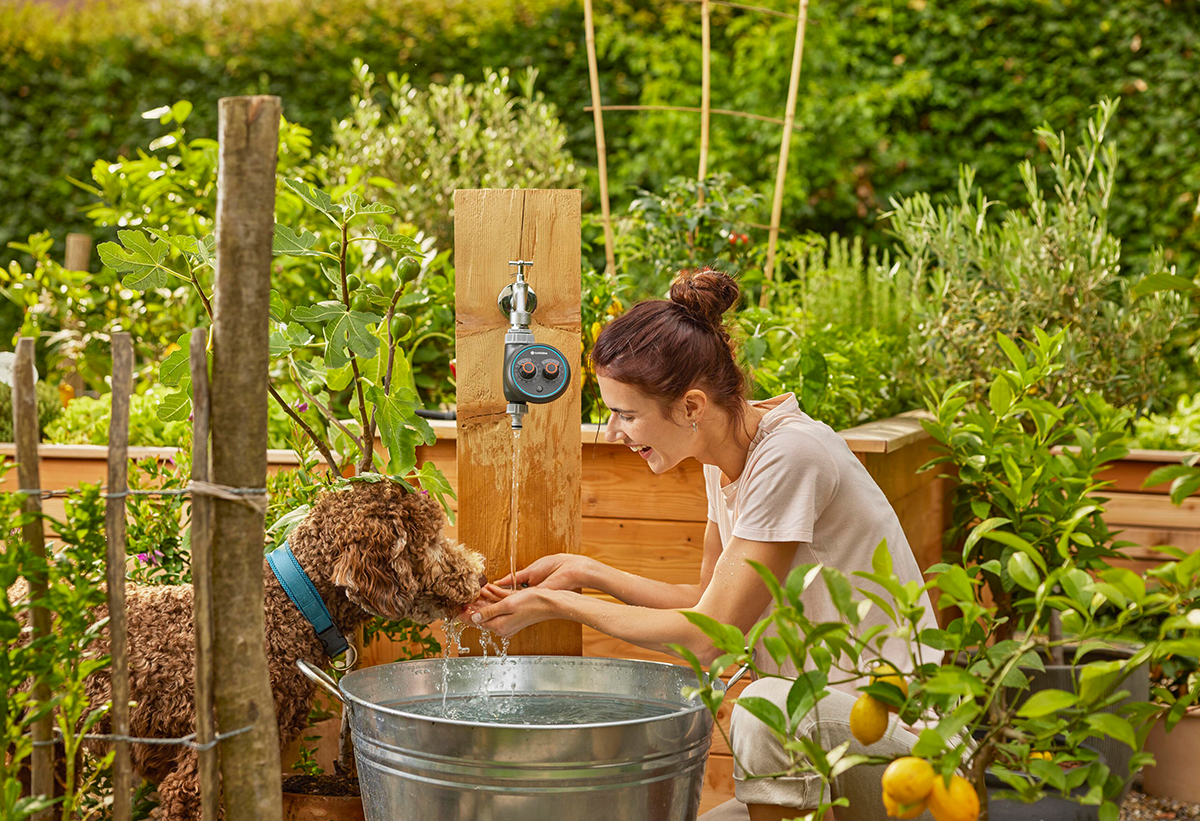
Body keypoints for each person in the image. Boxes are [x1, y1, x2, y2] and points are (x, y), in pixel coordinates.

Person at [467, 268, 938, 821]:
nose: (618, 433)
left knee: (765, 707)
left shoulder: (790, 455)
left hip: (900, 741)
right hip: (830, 738)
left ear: (692, 407)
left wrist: (554, 605)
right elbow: (703, 602)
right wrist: (584, 572)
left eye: (627, 415)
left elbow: (714, 638)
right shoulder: (725, 461)